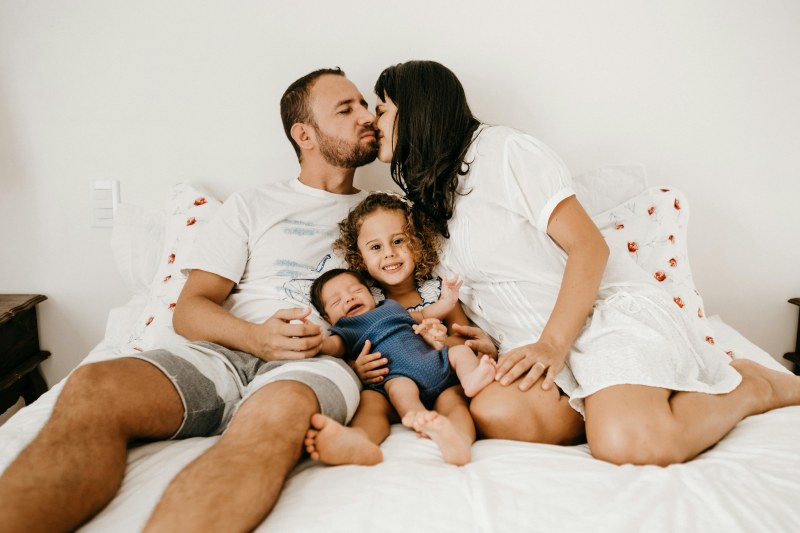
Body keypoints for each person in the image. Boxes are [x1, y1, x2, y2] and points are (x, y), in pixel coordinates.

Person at [0, 67, 381, 532]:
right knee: (92, 386)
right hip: (224, 351)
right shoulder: (253, 205)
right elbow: (191, 308)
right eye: (346, 108)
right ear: (304, 135)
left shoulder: (385, 215)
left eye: (366, 105)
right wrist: (256, 339)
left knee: (269, 421)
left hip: (316, 359)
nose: (367, 116)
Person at [371, 59, 800, 466]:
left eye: (382, 110)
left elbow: (590, 248)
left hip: (599, 319)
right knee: (496, 410)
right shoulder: (428, 202)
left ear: (417, 109)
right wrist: (481, 336)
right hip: (527, 342)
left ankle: (751, 386)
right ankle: (610, 404)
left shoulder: (503, 151)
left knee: (626, 443)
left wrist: (553, 345)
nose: (374, 122)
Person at [303, 192, 497, 466]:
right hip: (392, 383)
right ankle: (360, 441)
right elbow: (341, 346)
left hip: (440, 373)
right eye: (375, 247)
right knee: (371, 404)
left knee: (455, 402)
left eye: (398, 241)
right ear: (360, 258)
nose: (389, 253)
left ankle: (458, 441)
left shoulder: (437, 292)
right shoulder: (367, 304)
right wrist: (357, 369)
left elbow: (465, 339)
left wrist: (440, 339)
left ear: (417, 241)